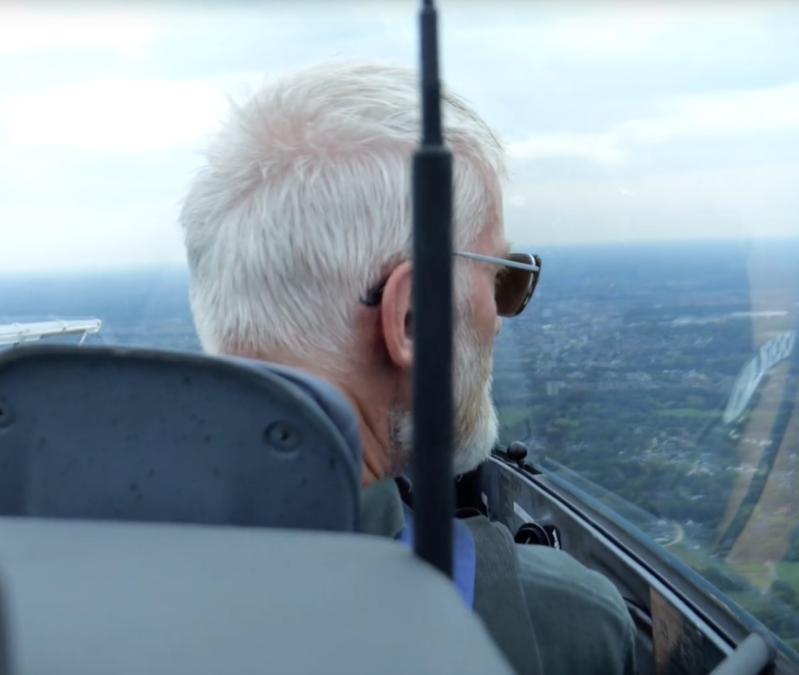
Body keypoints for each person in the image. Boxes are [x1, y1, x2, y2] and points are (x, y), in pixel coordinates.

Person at [179, 59, 635, 675]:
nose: (500, 318)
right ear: (415, 319)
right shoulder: (551, 623)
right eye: (498, 280)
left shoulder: (48, 569)